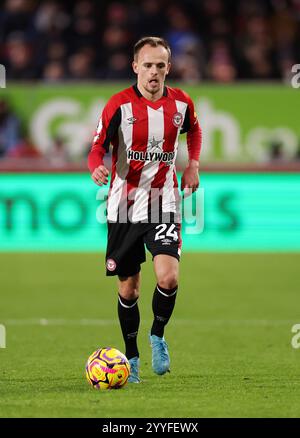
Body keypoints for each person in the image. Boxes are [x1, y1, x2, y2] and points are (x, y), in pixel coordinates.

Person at [88, 36, 202, 383]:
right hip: (123, 206)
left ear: (169, 67)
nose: (154, 72)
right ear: (135, 66)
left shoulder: (181, 103)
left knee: (168, 276)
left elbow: (194, 130)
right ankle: (132, 356)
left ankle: (158, 335)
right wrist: (96, 166)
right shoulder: (118, 106)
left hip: (164, 201)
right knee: (130, 289)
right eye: (148, 65)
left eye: (160, 65)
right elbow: (97, 147)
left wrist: (193, 164)